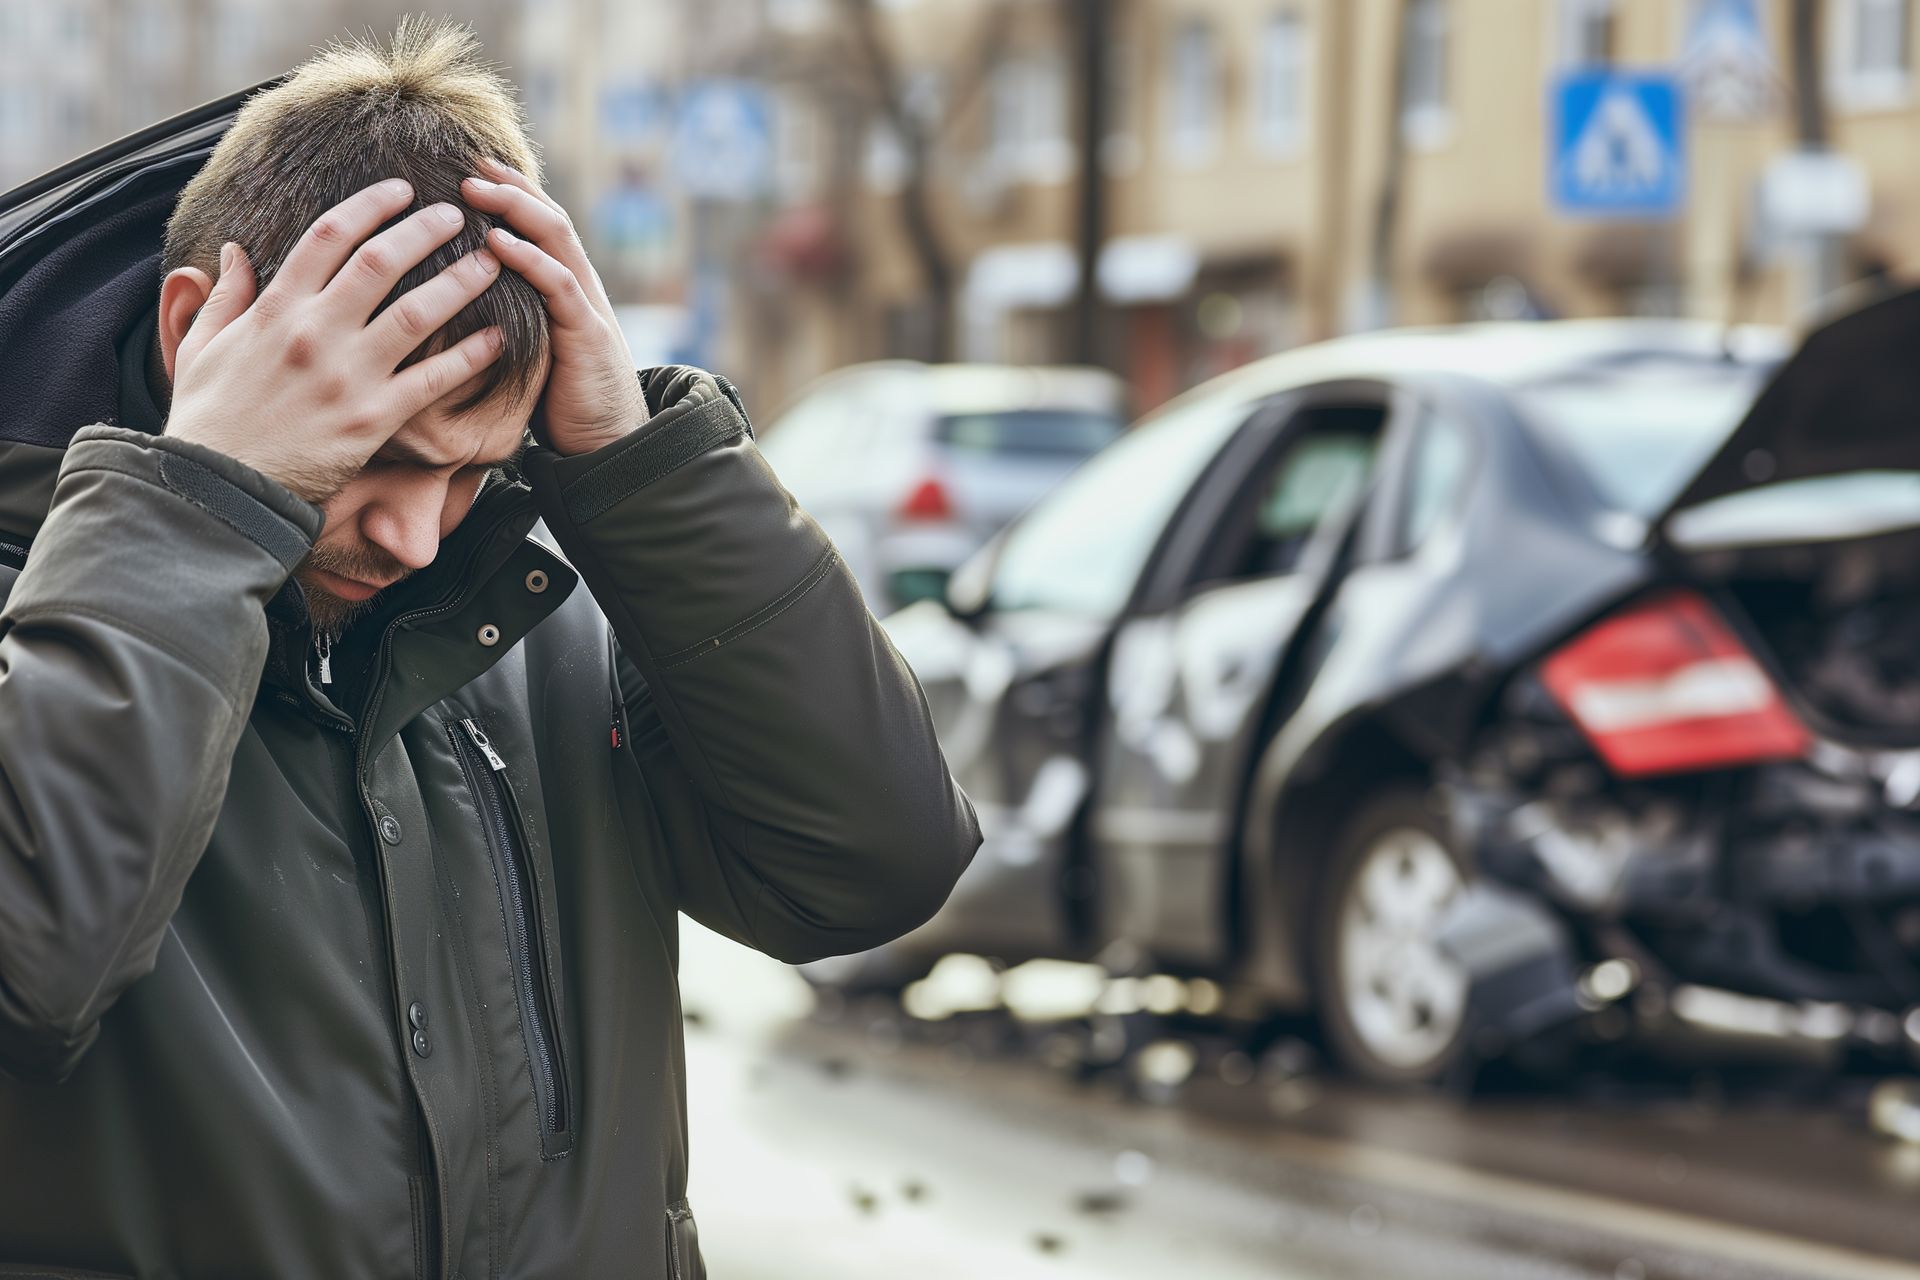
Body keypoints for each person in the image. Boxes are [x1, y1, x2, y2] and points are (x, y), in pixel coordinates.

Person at [0, 20, 978, 1278]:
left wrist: (642, 471)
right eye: (380, 455)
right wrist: (202, 501)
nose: (416, 535)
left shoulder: (543, 584)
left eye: (473, 469)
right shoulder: (54, 584)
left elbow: (871, 869)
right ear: (200, 333)